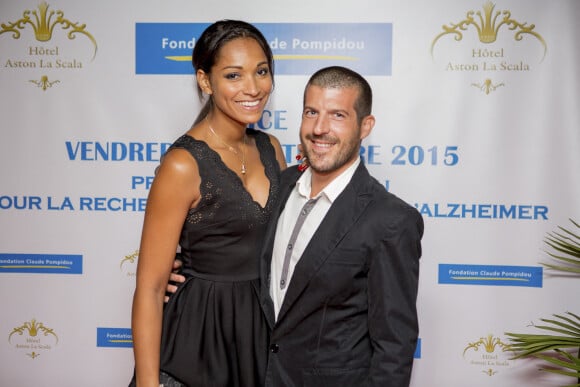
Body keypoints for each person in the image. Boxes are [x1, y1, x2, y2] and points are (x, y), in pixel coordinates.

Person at [169, 65, 424, 386]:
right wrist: (185, 273)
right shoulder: (280, 185)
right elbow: (236, 246)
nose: (320, 128)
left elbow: (394, 346)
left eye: (338, 116)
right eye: (311, 112)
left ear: (365, 126)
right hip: (252, 374)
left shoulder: (391, 220)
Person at [130, 20, 286, 387]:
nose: (253, 88)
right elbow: (151, 290)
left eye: (261, 71)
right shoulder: (183, 164)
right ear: (205, 81)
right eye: (234, 75)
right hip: (197, 341)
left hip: (259, 337)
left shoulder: (271, 148)